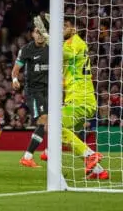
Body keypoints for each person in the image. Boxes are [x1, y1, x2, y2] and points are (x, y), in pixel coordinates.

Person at [51, 17, 108, 180]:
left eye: (66, 26)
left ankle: (90, 155)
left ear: (74, 29)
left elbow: (63, 54)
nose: (63, 29)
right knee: (65, 135)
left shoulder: (76, 42)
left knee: (55, 125)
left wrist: (50, 39)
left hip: (80, 99)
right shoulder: (70, 44)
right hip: (79, 98)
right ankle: (98, 170)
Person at [12, 17, 49, 168]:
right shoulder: (27, 49)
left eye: (42, 32)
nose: (39, 35)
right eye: (36, 32)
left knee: (48, 123)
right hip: (34, 91)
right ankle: (43, 152)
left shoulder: (51, 47)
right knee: (44, 120)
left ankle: (31, 156)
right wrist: (15, 79)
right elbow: (16, 70)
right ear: (32, 34)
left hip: (49, 90)